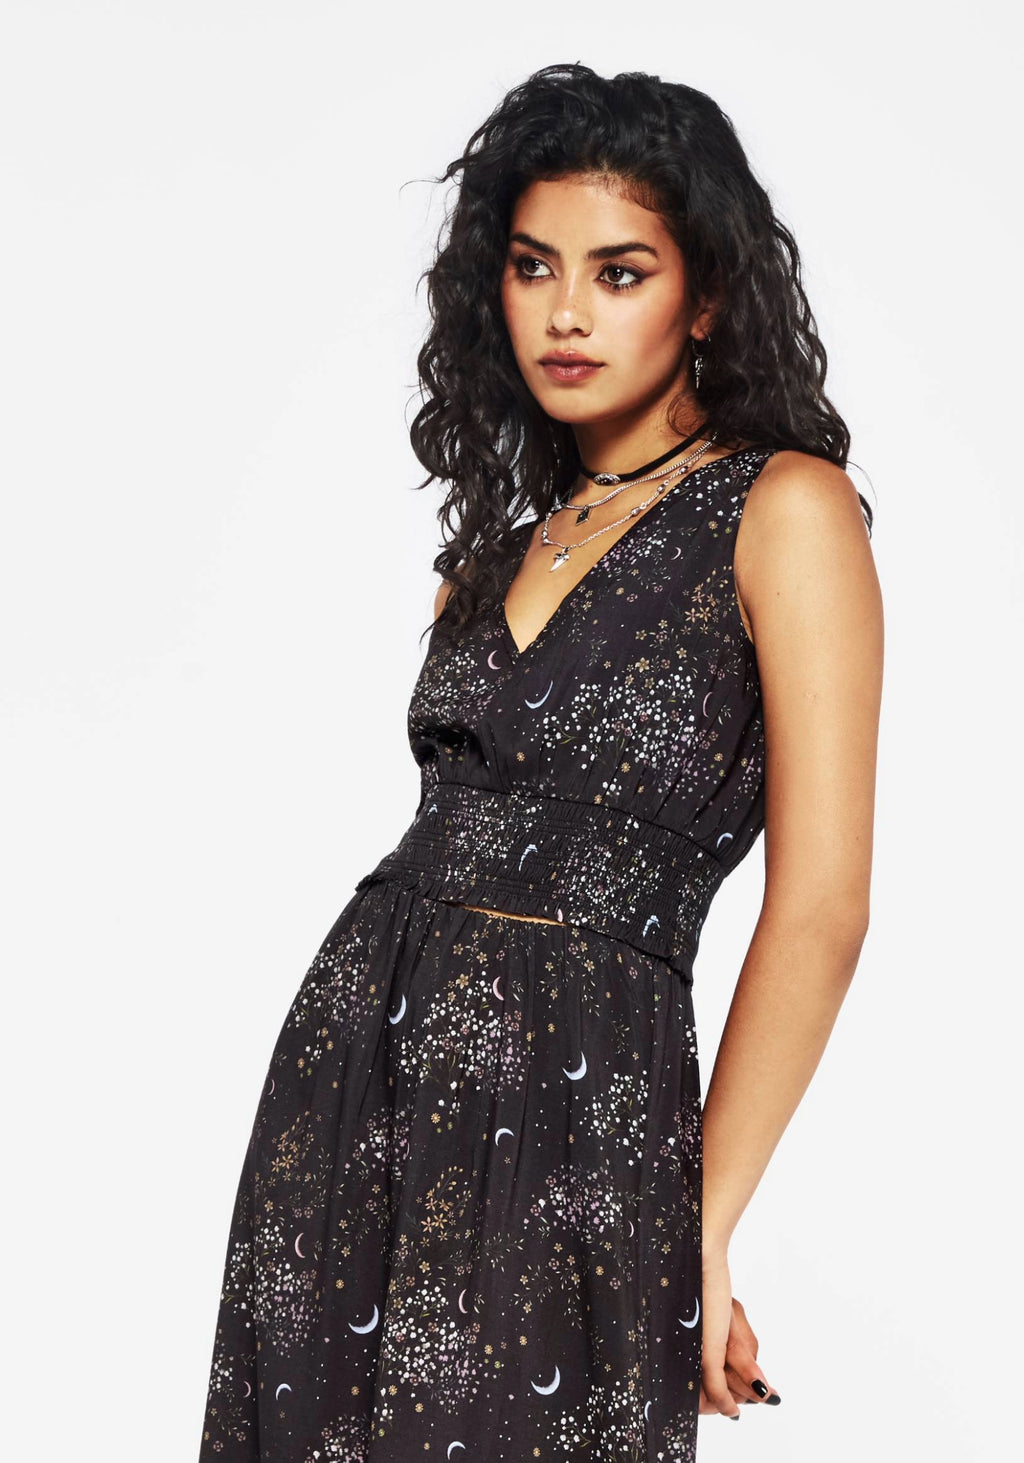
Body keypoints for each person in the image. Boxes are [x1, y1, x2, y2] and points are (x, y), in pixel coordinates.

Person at [198, 63, 883, 1463]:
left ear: (705, 297)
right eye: (532, 267)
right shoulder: (492, 560)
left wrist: (698, 1225)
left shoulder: (784, 510)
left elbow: (822, 906)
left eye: (619, 272)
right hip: (357, 1080)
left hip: (586, 1102)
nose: (566, 312)